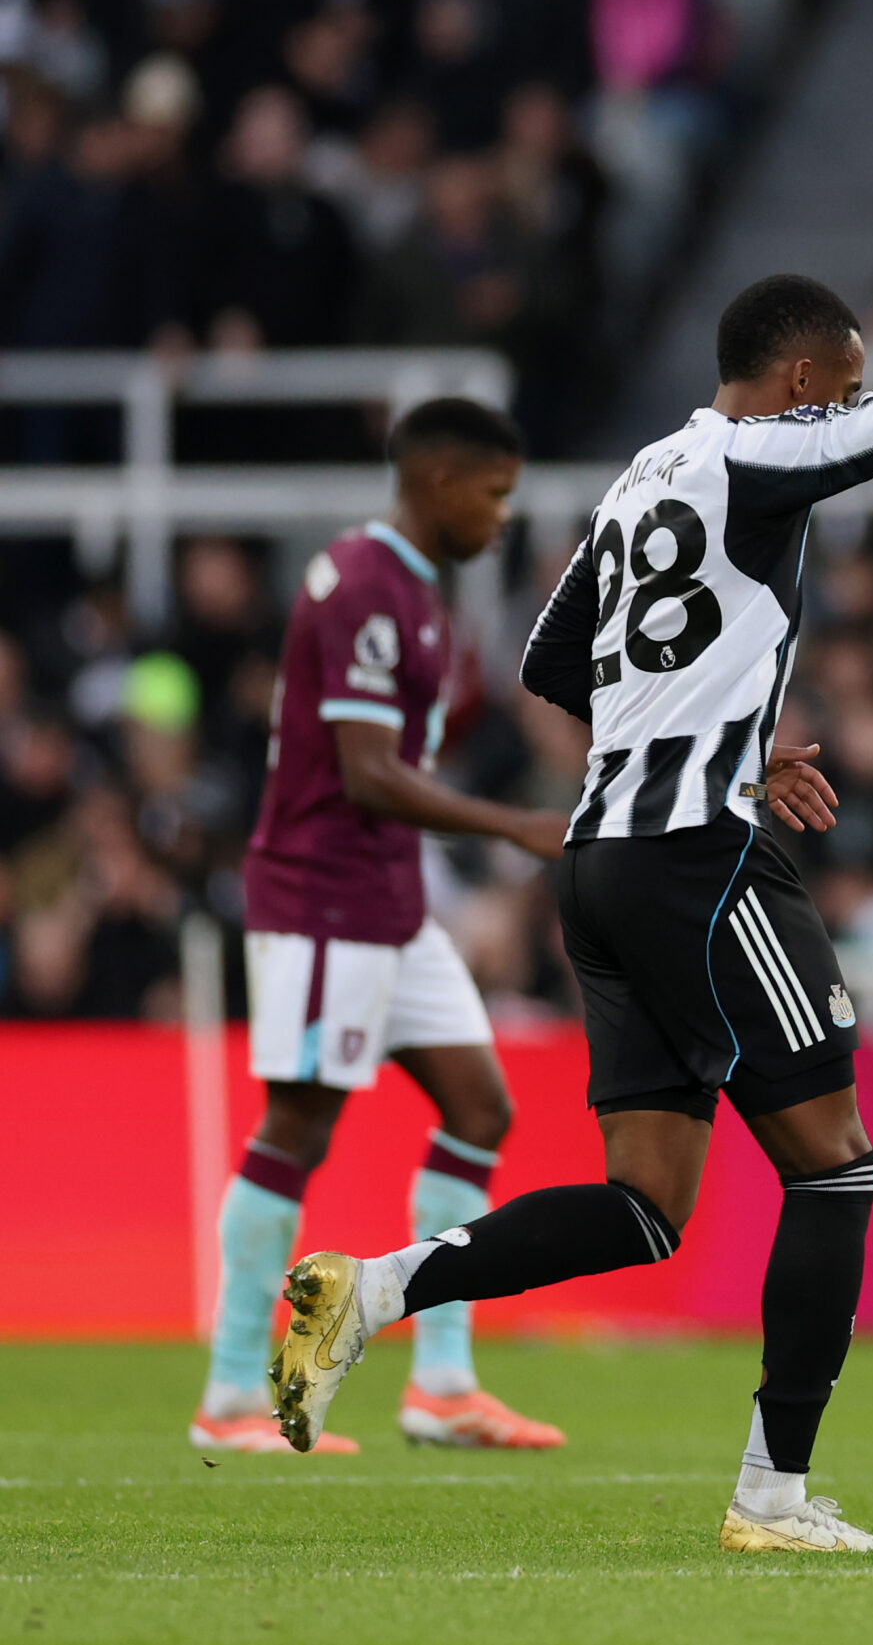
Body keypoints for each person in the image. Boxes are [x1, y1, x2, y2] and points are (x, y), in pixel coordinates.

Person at [265, 102, 873, 1554]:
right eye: (839, 390)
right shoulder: (760, 453)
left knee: (647, 1201)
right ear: (804, 378)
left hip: (605, 862)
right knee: (838, 1164)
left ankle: (372, 1289)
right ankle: (775, 1496)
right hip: (697, 860)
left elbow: (553, 659)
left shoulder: (646, 473)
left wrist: (716, 742)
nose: (842, 410)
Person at [192, 398, 569, 1457]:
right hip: (323, 902)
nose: (500, 517)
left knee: (480, 1107)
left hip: (389, 901)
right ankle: (230, 1393)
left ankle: (441, 1384)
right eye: (493, 494)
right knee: (298, 1128)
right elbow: (365, 773)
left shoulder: (414, 594)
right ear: (439, 481)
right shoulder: (362, 584)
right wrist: (513, 825)